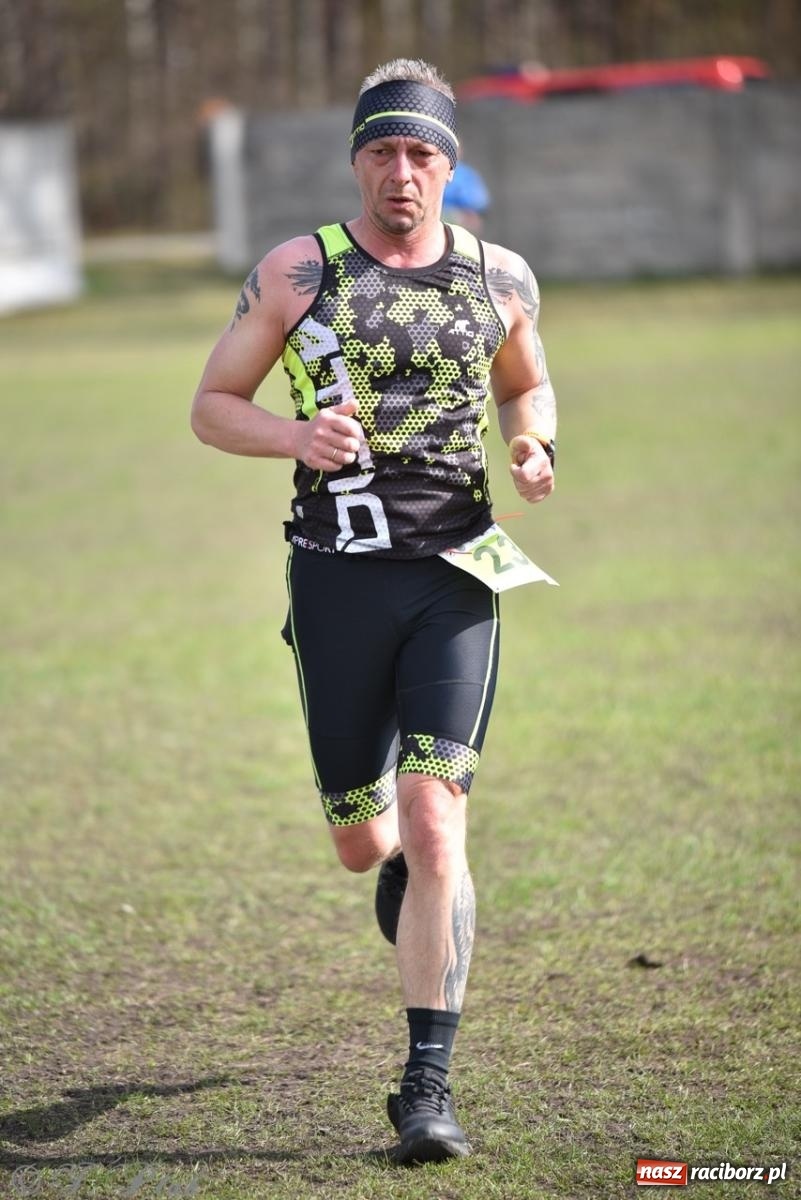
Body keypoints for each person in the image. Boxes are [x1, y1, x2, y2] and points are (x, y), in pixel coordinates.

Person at [191, 57, 556, 1165]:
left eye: (424, 154)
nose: (404, 174)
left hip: (458, 572)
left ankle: (427, 1087)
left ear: (451, 164)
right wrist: (297, 438)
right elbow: (212, 406)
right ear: (359, 159)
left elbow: (525, 384)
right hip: (338, 579)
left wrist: (537, 442)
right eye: (384, 152)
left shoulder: (500, 278)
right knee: (366, 843)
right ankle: (390, 859)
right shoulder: (299, 271)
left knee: (440, 811)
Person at [442, 155, 491, 233]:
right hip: (441, 215)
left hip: (462, 215)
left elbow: (479, 203)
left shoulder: (466, 174)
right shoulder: (434, 170)